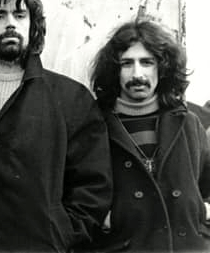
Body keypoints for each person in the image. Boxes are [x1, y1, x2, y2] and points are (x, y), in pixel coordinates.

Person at [0, 0, 113, 252]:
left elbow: (93, 186)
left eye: (20, 15)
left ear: (32, 26)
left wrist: (62, 233)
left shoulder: (70, 97)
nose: (10, 23)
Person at [90, 19, 210, 252]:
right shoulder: (94, 125)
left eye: (147, 62)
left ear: (162, 68)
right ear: (115, 70)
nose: (138, 74)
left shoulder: (188, 122)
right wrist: (108, 220)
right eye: (127, 63)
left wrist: (201, 214)